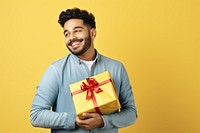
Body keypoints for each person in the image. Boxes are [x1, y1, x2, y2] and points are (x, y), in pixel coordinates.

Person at [30, 7, 137, 133]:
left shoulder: (116, 68)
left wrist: (103, 121)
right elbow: (36, 115)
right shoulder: (56, 70)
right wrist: (73, 120)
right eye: (67, 33)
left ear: (93, 33)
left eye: (77, 31)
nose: (71, 38)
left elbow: (131, 113)